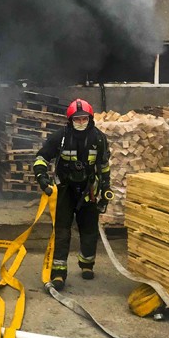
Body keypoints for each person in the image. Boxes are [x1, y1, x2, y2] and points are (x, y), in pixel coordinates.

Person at [32, 98, 112, 291]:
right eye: (77, 119)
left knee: (89, 231)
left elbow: (103, 166)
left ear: (90, 119)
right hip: (65, 190)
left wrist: (105, 188)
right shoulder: (60, 137)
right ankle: (58, 273)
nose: (81, 122)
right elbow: (41, 158)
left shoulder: (99, 139)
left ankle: (87, 265)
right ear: (70, 120)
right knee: (61, 231)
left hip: (88, 192)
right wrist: (42, 178)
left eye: (84, 118)